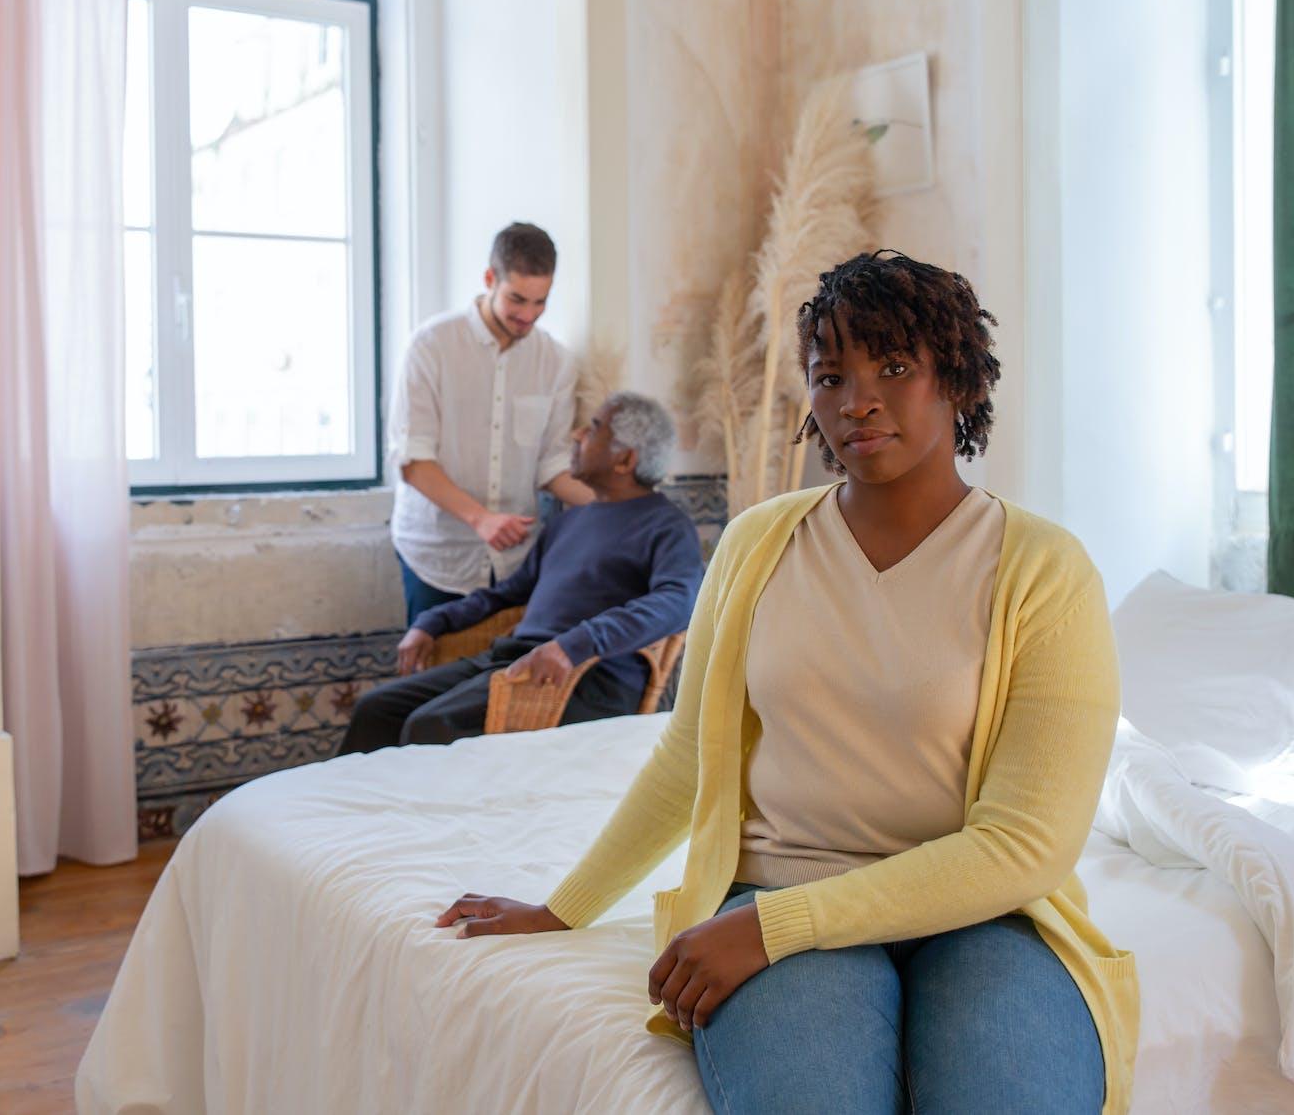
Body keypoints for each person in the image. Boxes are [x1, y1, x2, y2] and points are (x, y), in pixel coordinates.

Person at [434, 252, 1139, 1115]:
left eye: (893, 366)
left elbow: (1026, 844)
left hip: (981, 918)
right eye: (830, 374)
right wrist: (565, 907)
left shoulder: (1045, 570)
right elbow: (691, 752)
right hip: (781, 885)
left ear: (955, 377)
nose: (857, 400)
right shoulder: (757, 544)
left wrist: (771, 930)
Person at [339, 392, 703, 752]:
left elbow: (679, 600)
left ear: (625, 460)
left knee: (431, 726)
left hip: (587, 678)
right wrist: (432, 621)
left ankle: (413, 812)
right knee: (378, 709)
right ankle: (351, 811)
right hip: (517, 660)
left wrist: (574, 645)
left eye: (593, 428)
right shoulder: (570, 521)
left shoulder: (667, 526)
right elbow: (509, 594)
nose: (577, 435)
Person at [388, 222, 596, 626]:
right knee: (431, 679)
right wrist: (481, 519)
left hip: (516, 562)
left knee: (502, 684)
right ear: (489, 279)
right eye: (517, 300)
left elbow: (552, 465)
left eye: (541, 302)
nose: (528, 315)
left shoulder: (556, 362)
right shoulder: (431, 347)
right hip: (437, 553)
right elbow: (413, 460)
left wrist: (623, 502)